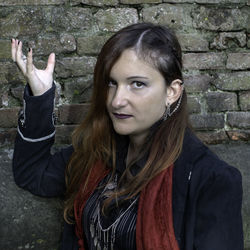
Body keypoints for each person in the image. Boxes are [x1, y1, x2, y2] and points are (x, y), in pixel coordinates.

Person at [11, 22, 243, 250]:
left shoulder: (210, 180)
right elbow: (33, 174)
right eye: (112, 83)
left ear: (171, 92)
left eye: (137, 84)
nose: (116, 100)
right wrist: (41, 96)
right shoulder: (98, 151)